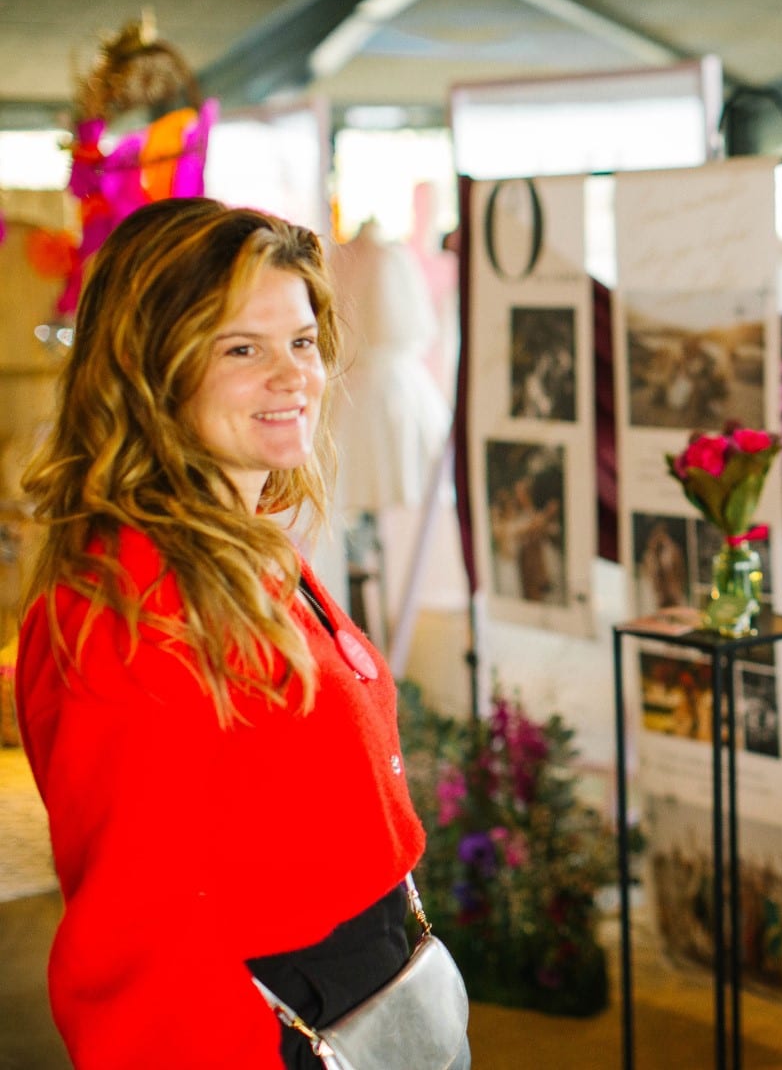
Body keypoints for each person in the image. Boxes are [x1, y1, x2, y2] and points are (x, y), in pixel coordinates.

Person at [16, 198, 461, 1068]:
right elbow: (134, 957)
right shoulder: (130, 612)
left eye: (301, 341)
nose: (293, 375)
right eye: (241, 348)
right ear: (150, 371)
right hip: (281, 1027)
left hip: (377, 1000)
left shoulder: (244, 552)